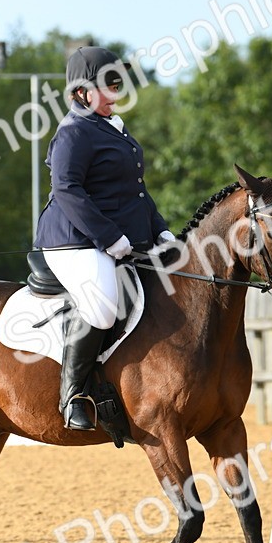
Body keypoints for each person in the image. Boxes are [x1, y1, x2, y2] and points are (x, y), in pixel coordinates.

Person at [34, 46, 175, 431]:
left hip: (118, 236)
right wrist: (110, 238)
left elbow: (136, 191)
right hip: (73, 239)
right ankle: (72, 395)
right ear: (81, 92)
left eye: (118, 82)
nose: (117, 90)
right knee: (100, 305)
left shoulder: (113, 127)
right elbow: (66, 188)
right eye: (109, 83)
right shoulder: (73, 131)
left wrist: (159, 229)